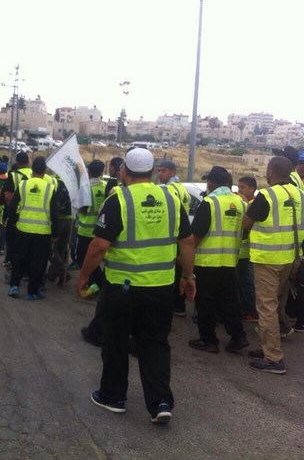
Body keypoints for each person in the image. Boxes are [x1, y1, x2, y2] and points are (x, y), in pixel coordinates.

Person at [76, 148, 195, 424]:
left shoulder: (119, 199)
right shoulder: (171, 199)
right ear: (153, 173)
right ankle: (161, 401)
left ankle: (112, 396)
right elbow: (187, 243)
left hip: (122, 289)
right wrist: (189, 277)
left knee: (116, 341)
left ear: (123, 172)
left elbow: (99, 246)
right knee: (155, 344)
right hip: (161, 288)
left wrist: (83, 276)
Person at [244, 156, 304, 374]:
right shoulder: (300, 194)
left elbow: (246, 223)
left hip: (268, 259)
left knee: (266, 307)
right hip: (290, 258)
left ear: (271, 171)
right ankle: (265, 347)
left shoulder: (267, 195)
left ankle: (273, 358)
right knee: (274, 304)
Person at [188, 166, 248, 354]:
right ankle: (238, 337)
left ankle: (209, 340)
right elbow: (245, 231)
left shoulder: (210, 202)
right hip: (230, 262)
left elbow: (197, 235)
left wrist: (187, 255)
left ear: (212, 183)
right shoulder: (241, 203)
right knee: (230, 302)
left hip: (207, 262)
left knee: (206, 302)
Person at [8, 156, 57, 300]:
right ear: (45, 171)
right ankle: (32, 292)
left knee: (19, 259)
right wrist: (55, 233)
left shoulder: (23, 185)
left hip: (23, 229)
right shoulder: (50, 188)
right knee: (38, 262)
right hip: (43, 233)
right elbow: (54, 213)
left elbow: (12, 205)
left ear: (32, 169)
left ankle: (14, 286)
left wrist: (13, 221)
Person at [156, 159, 191, 317]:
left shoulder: (168, 189)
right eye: (158, 170)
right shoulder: (181, 188)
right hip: (180, 234)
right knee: (178, 271)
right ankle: (179, 304)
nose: (160, 174)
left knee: (173, 272)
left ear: (172, 172)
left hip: (172, 236)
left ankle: (175, 305)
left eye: (163, 171)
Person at [75, 160, 107, 294]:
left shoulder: (86, 187)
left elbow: (83, 209)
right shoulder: (105, 186)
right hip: (99, 229)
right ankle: (98, 282)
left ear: (89, 171)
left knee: (84, 258)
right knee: (95, 258)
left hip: (85, 229)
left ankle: (96, 283)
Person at [3, 152, 33, 269]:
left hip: (16, 214)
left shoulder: (14, 175)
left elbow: (8, 197)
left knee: (12, 241)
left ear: (17, 162)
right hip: (30, 214)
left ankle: (11, 263)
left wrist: (11, 211)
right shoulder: (35, 174)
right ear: (28, 162)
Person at [237, 176, 258, 322]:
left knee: (247, 283)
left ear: (252, 189)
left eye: (242, 187)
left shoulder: (253, 204)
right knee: (242, 282)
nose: (239, 190)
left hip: (248, 252)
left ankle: (250, 311)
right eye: (238, 187)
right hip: (241, 252)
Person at [46, 175, 73, 286]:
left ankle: (63, 272)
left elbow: (53, 204)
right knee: (61, 249)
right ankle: (53, 275)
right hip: (70, 219)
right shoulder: (72, 184)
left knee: (49, 248)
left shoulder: (55, 183)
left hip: (58, 220)